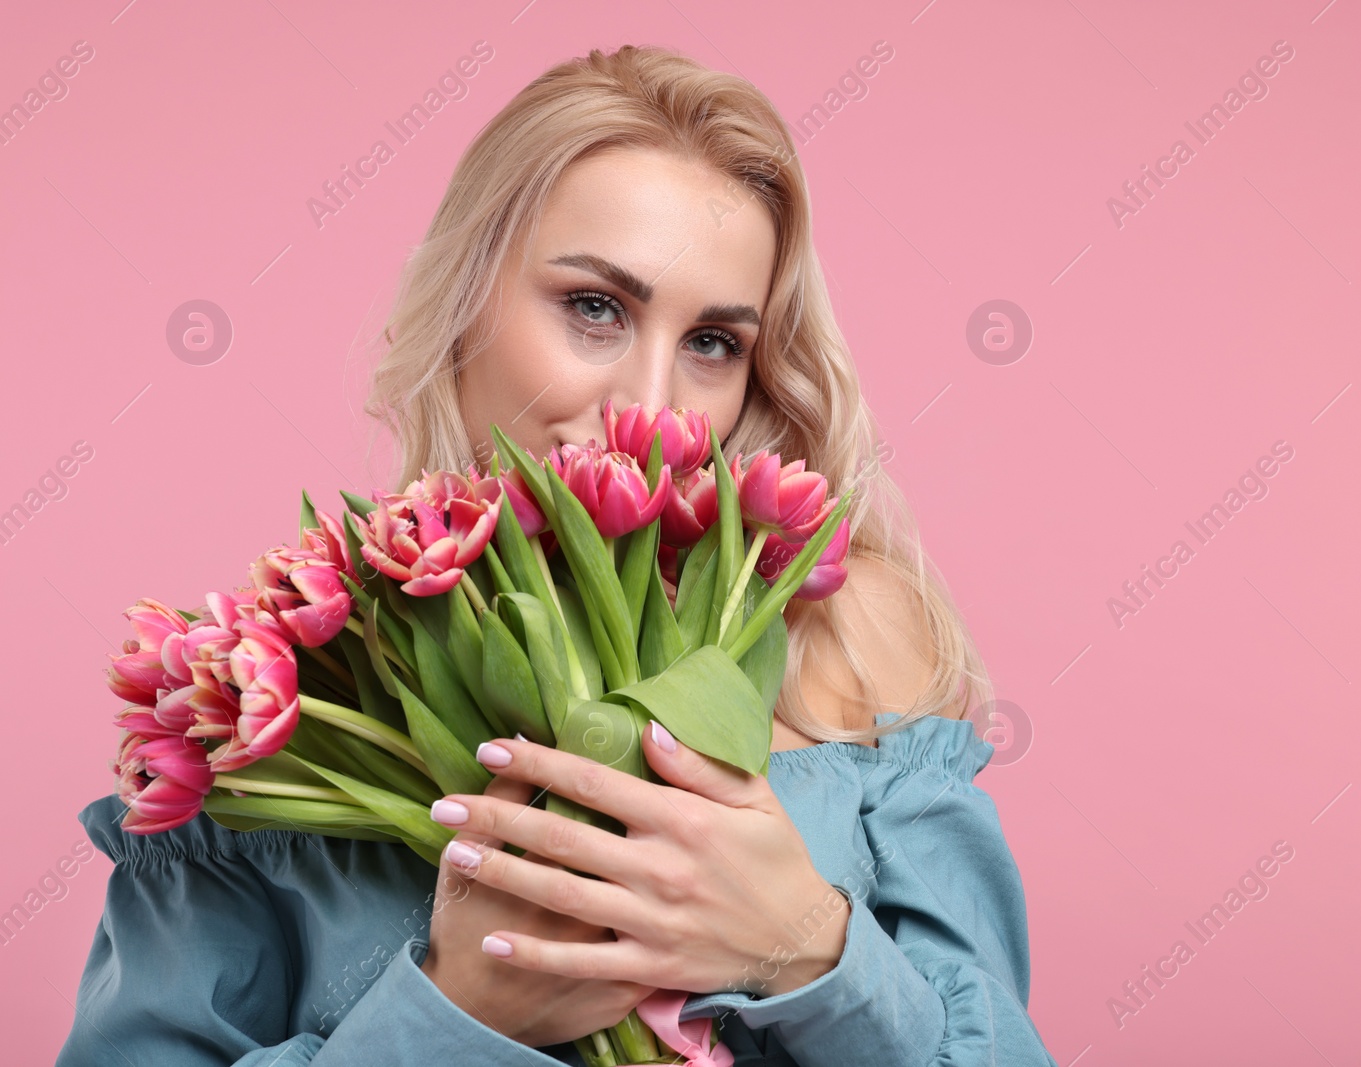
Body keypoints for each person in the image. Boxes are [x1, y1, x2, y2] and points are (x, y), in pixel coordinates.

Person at [56, 44, 1058, 1066]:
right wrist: (453, 1015)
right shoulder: (282, 704)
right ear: (464, 306)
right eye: (595, 309)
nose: (653, 406)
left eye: (713, 341)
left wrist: (810, 950)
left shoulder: (850, 635)